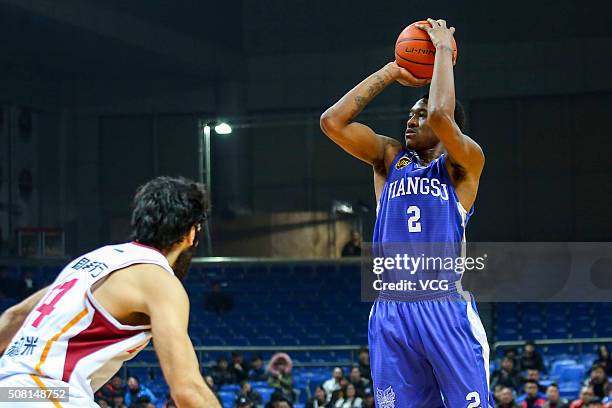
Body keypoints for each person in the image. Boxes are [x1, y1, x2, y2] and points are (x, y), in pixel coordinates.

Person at [320, 18, 491, 408]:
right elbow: (332, 122)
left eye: (420, 113)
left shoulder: (463, 164)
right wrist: (392, 71)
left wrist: (443, 50)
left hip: (445, 308)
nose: (412, 119)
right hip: (391, 310)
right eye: (411, 114)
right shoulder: (389, 159)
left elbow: (440, 118)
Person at [0, 176, 220, 407]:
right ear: (191, 234)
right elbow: (187, 388)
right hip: (44, 394)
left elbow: (15, 316)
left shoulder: (91, 261)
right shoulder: (161, 282)